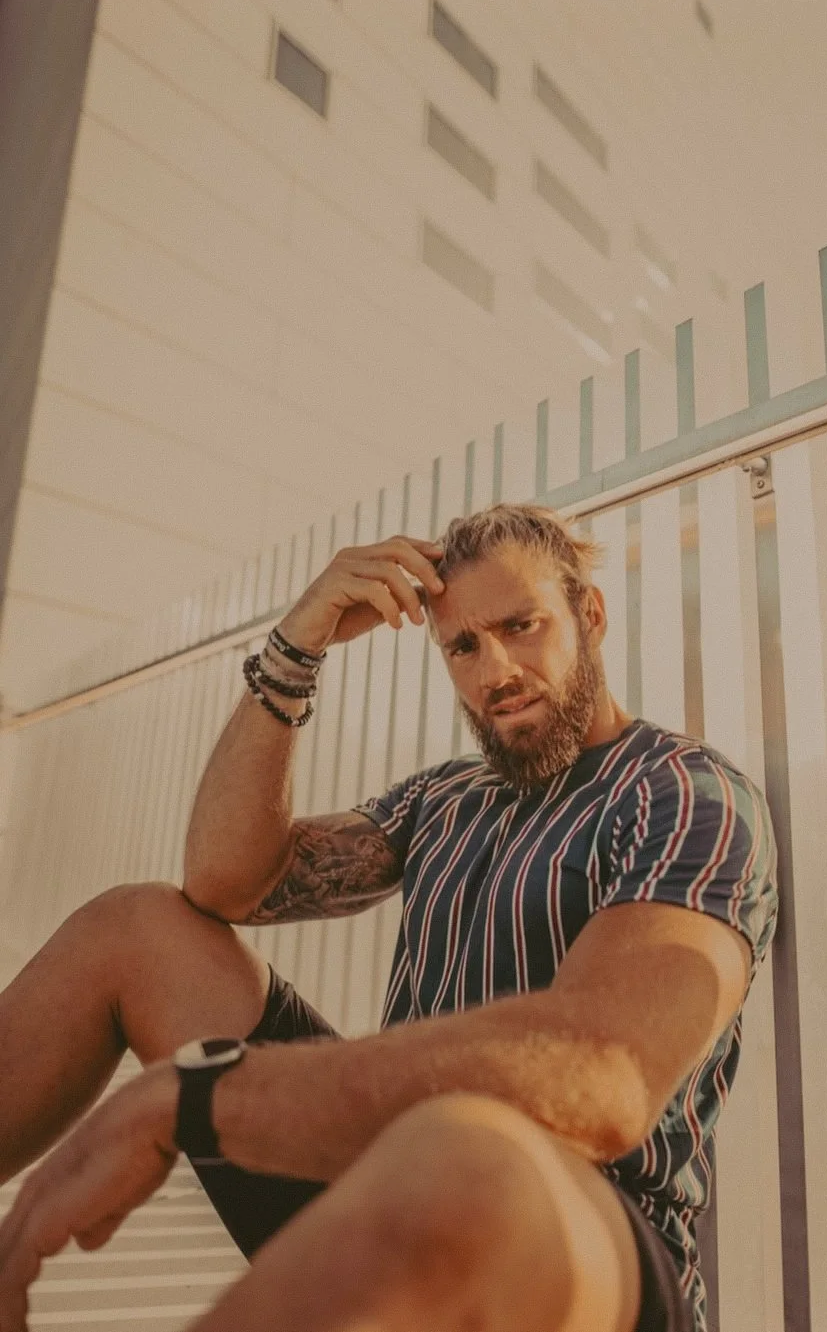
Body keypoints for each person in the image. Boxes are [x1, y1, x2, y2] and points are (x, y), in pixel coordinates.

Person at [0, 503, 777, 1332]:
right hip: (394, 1170)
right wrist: (297, 646)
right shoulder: (445, 798)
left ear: (590, 613)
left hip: (586, 1241)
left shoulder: (686, 795)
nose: (498, 669)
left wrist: (201, 1098)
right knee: (136, 928)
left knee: (462, 1152)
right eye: (464, 646)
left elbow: (608, 1079)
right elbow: (225, 881)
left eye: (523, 624)